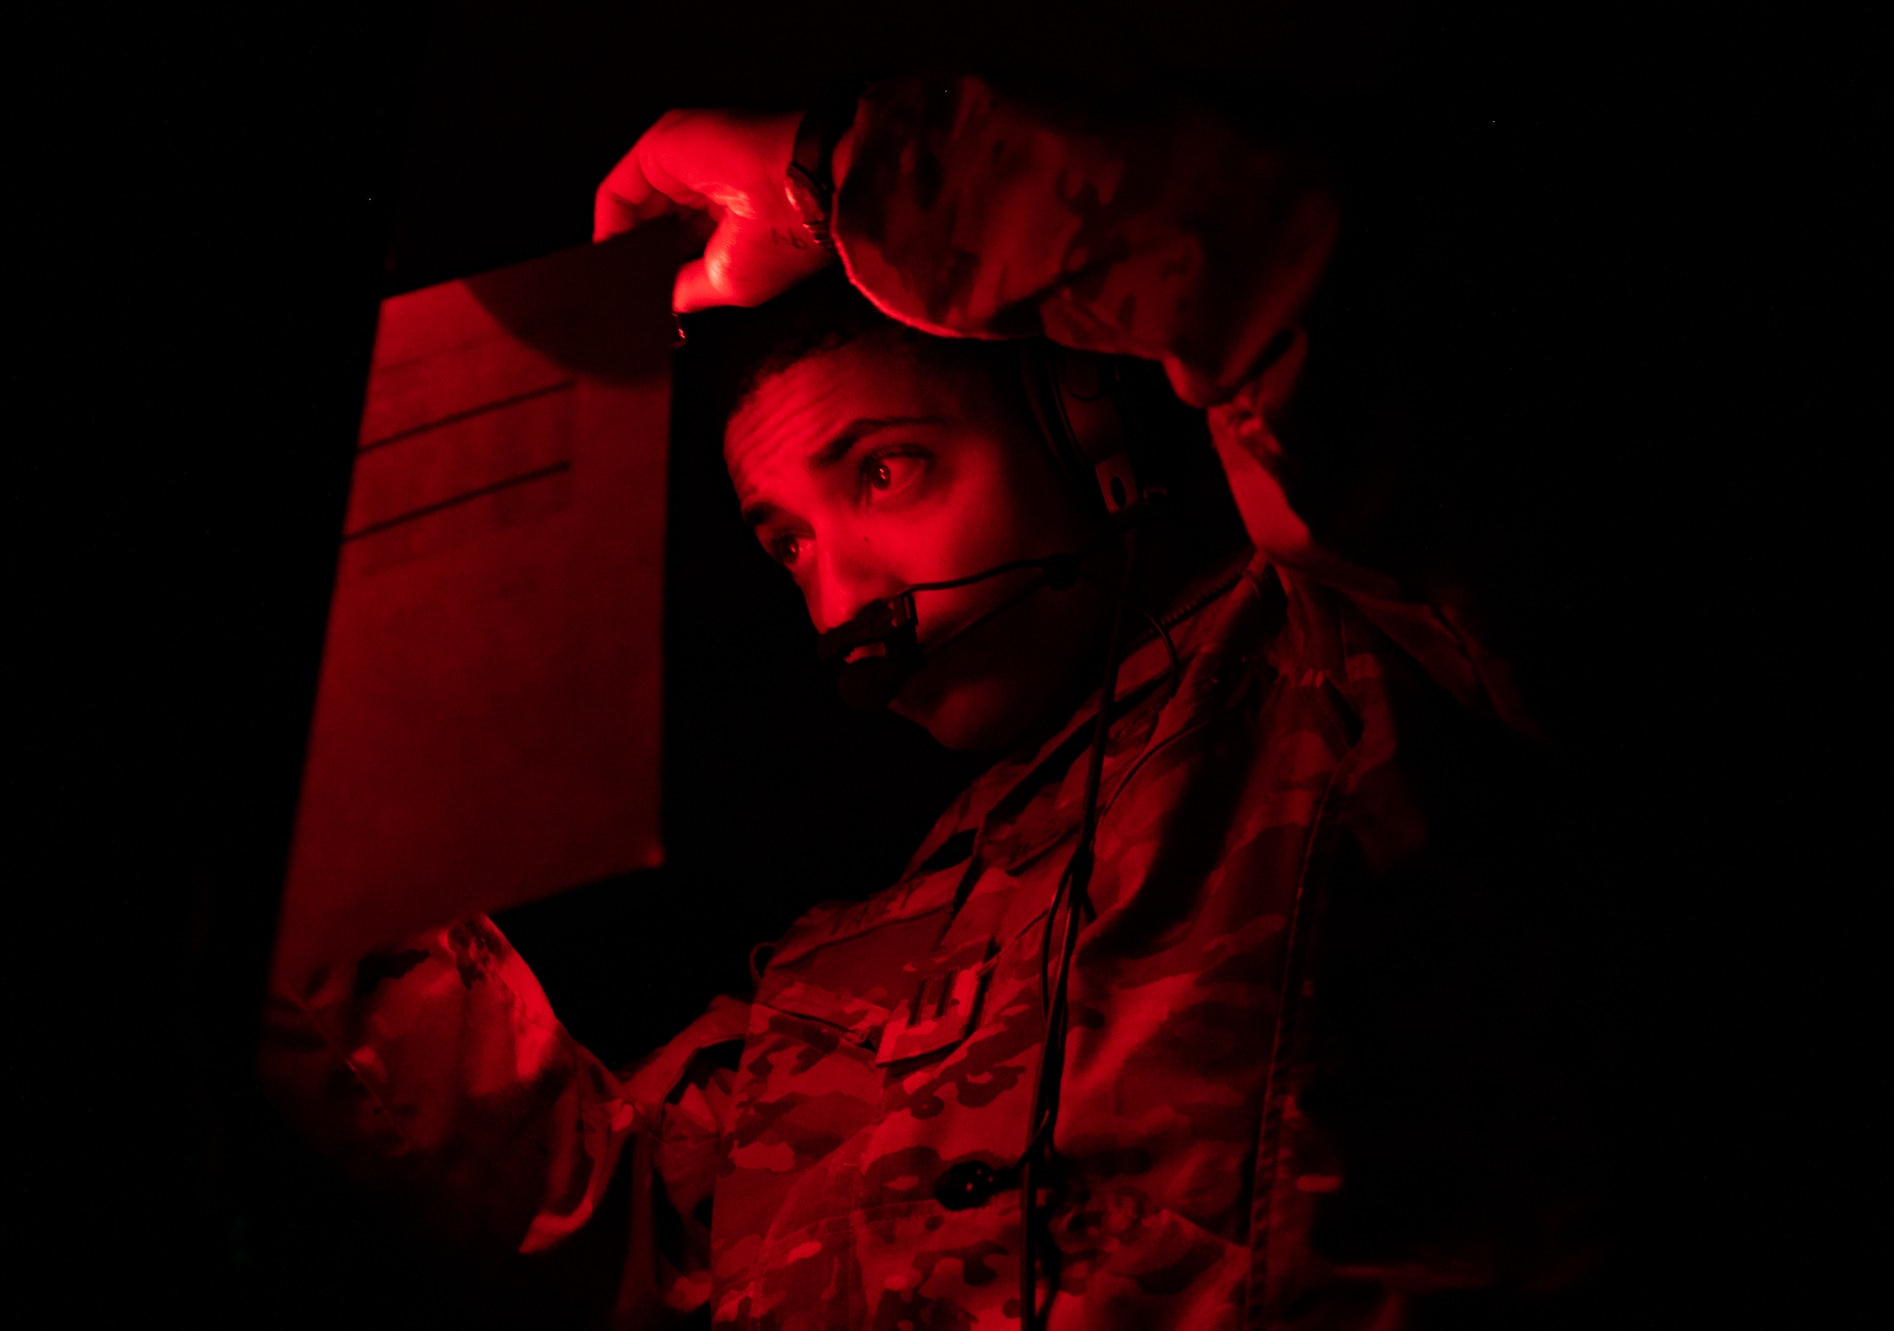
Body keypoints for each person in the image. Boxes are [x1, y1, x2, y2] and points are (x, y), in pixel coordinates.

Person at [262, 73, 1603, 1329]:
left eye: (886, 472)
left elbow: (1295, 286)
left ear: (1083, 428)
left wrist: (834, 178)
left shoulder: (1364, 666)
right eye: (783, 541)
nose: (838, 600)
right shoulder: (820, 981)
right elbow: (610, 1233)